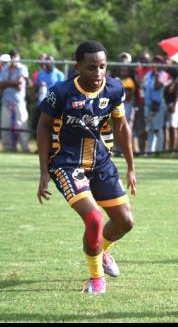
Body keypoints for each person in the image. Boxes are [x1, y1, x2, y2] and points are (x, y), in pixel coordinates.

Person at [36, 40, 136, 294]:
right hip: (66, 164)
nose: (98, 73)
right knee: (94, 218)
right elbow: (43, 126)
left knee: (125, 222)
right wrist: (43, 172)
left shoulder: (114, 89)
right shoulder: (61, 92)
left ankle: (101, 251)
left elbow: (122, 127)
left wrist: (131, 167)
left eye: (102, 66)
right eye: (92, 67)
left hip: (101, 164)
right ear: (78, 66)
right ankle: (96, 280)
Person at [0, 49, 30, 152]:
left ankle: (24, 147)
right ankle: (7, 147)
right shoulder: (5, 69)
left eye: (15, 56)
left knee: (22, 125)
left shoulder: (22, 68)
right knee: (5, 125)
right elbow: (1, 84)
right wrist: (13, 83)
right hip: (6, 101)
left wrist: (7, 83)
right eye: (12, 56)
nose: (13, 58)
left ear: (19, 58)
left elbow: (20, 85)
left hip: (19, 101)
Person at [143, 55, 170, 154]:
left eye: (158, 62)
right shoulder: (148, 74)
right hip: (148, 104)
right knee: (149, 128)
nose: (156, 64)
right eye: (155, 61)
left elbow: (157, 86)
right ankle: (150, 151)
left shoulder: (163, 74)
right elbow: (144, 86)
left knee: (158, 128)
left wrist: (157, 74)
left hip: (158, 104)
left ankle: (159, 151)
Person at [32, 55, 65, 132]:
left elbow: (63, 89)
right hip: (42, 102)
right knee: (38, 124)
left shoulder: (59, 74)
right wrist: (36, 90)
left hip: (54, 103)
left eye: (50, 61)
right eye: (46, 61)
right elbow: (35, 87)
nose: (48, 63)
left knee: (52, 126)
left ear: (54, 62)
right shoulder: (40, 73)